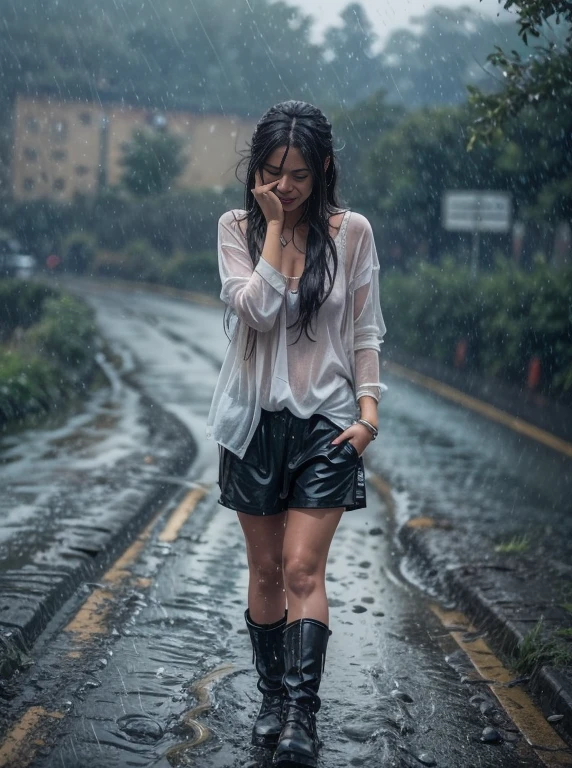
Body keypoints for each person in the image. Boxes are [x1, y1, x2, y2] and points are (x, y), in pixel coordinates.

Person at [206, 100, 386, 767]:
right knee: (265, 570)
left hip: (328, 427)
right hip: (254, 424)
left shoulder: (354, 233)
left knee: (304, 567)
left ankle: (301, 717)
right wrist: (278, 228)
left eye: (300, 175)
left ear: (325, 170)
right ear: (256, 170)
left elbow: (365, 332)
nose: (286, 186)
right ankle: (272, 699)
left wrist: (368, 415)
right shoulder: (235, 229)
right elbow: (256, 309)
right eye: (274, 172)